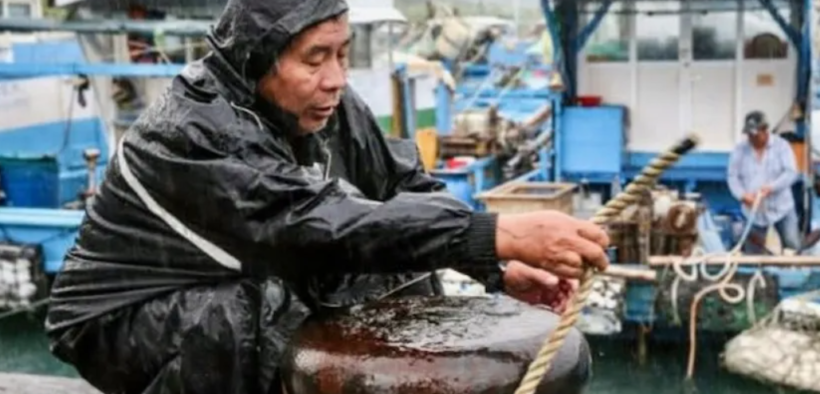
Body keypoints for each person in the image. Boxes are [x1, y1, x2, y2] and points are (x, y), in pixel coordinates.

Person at [44, 1, 610, 393]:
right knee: (264, 313)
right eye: (315, 58)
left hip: (235, 273)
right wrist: (501, 231)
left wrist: (493, 264)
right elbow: (305, 225)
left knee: (399, 271)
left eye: (342, 53)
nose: (336, 77)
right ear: (258, 61)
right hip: (118, 317)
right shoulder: (188, 133)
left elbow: (402, 186)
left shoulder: (326, 103)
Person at [728, 110, 800, 253]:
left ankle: (793, 272)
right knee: (752, 253)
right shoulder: (739, 150)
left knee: (792, 247)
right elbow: (732, 177)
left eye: (755, 134)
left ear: (765, 130)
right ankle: (755, 275)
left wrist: (771, 188)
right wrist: (742, 195)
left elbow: (791, 172)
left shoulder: (782, 146)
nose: (752, 138)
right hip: (754, 213)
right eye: (749, 135)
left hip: (782, 209)